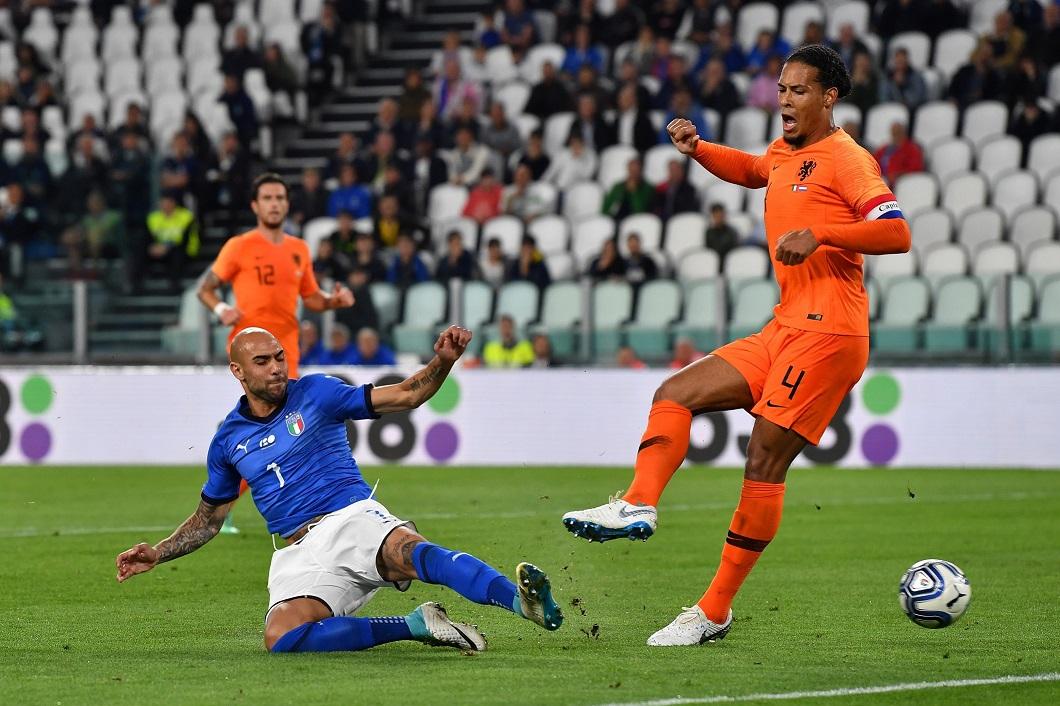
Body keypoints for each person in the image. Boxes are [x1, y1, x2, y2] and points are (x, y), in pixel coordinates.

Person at [562, 45, 911, 646]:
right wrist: (698, 150)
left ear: (829, 96)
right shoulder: (785, 152)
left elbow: (897, 231)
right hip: (785, 327)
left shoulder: (848, 159)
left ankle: (713, 610)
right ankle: (639, 504)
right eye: (781, 88)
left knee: (763, 461)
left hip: (830, 335)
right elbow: (752, 169)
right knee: (674, 393)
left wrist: (821, 232)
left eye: (798, 90)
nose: (784, 99)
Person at [115, 327, 563, 654]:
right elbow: (209, 519)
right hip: (297, 551)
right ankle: (415, 625)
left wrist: (442, 361)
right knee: (282, 639)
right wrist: (159, 553)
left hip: (349, 517)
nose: (275, 368)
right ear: (237, 370)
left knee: (410, 552)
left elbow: (406, 395)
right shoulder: (228, 440)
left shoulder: (316, 393)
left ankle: (521, 603)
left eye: (278, 357)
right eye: (262, 362)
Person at [198, 173, 355, 378]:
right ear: (255, 205)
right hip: (249, 349)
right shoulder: (239, 246)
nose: (274, 204)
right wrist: (222, 309)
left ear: (287, 204)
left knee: (287, 409)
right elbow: (205, 289)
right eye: (267, 198)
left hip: (286, 350)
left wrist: (333, 300)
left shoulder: (299, 249)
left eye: (279, 198)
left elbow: (311, 297)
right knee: (261, 407)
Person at [144, 191, 199, 293]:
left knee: (177, 253)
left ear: (173, 203)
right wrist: (153, 247)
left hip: (184, 249)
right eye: (162, 203)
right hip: (160, 249)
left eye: (167, 203)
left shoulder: (186, 216)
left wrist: (167, 247)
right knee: (140, 251)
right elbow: (148, 237)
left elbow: (186, 240)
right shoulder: (153, 218)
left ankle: (174, 286)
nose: (165, 206)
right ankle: (135, 285)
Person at [872, 122, 924, 186]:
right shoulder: (884, 149)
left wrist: (898, 175)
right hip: (882, 181)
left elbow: (915, 169)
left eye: (898, 133)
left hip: (902, 183)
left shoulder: (912, 149)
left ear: (904, 133)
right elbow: (873, 162)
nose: (896, 136)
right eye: (894, 134)